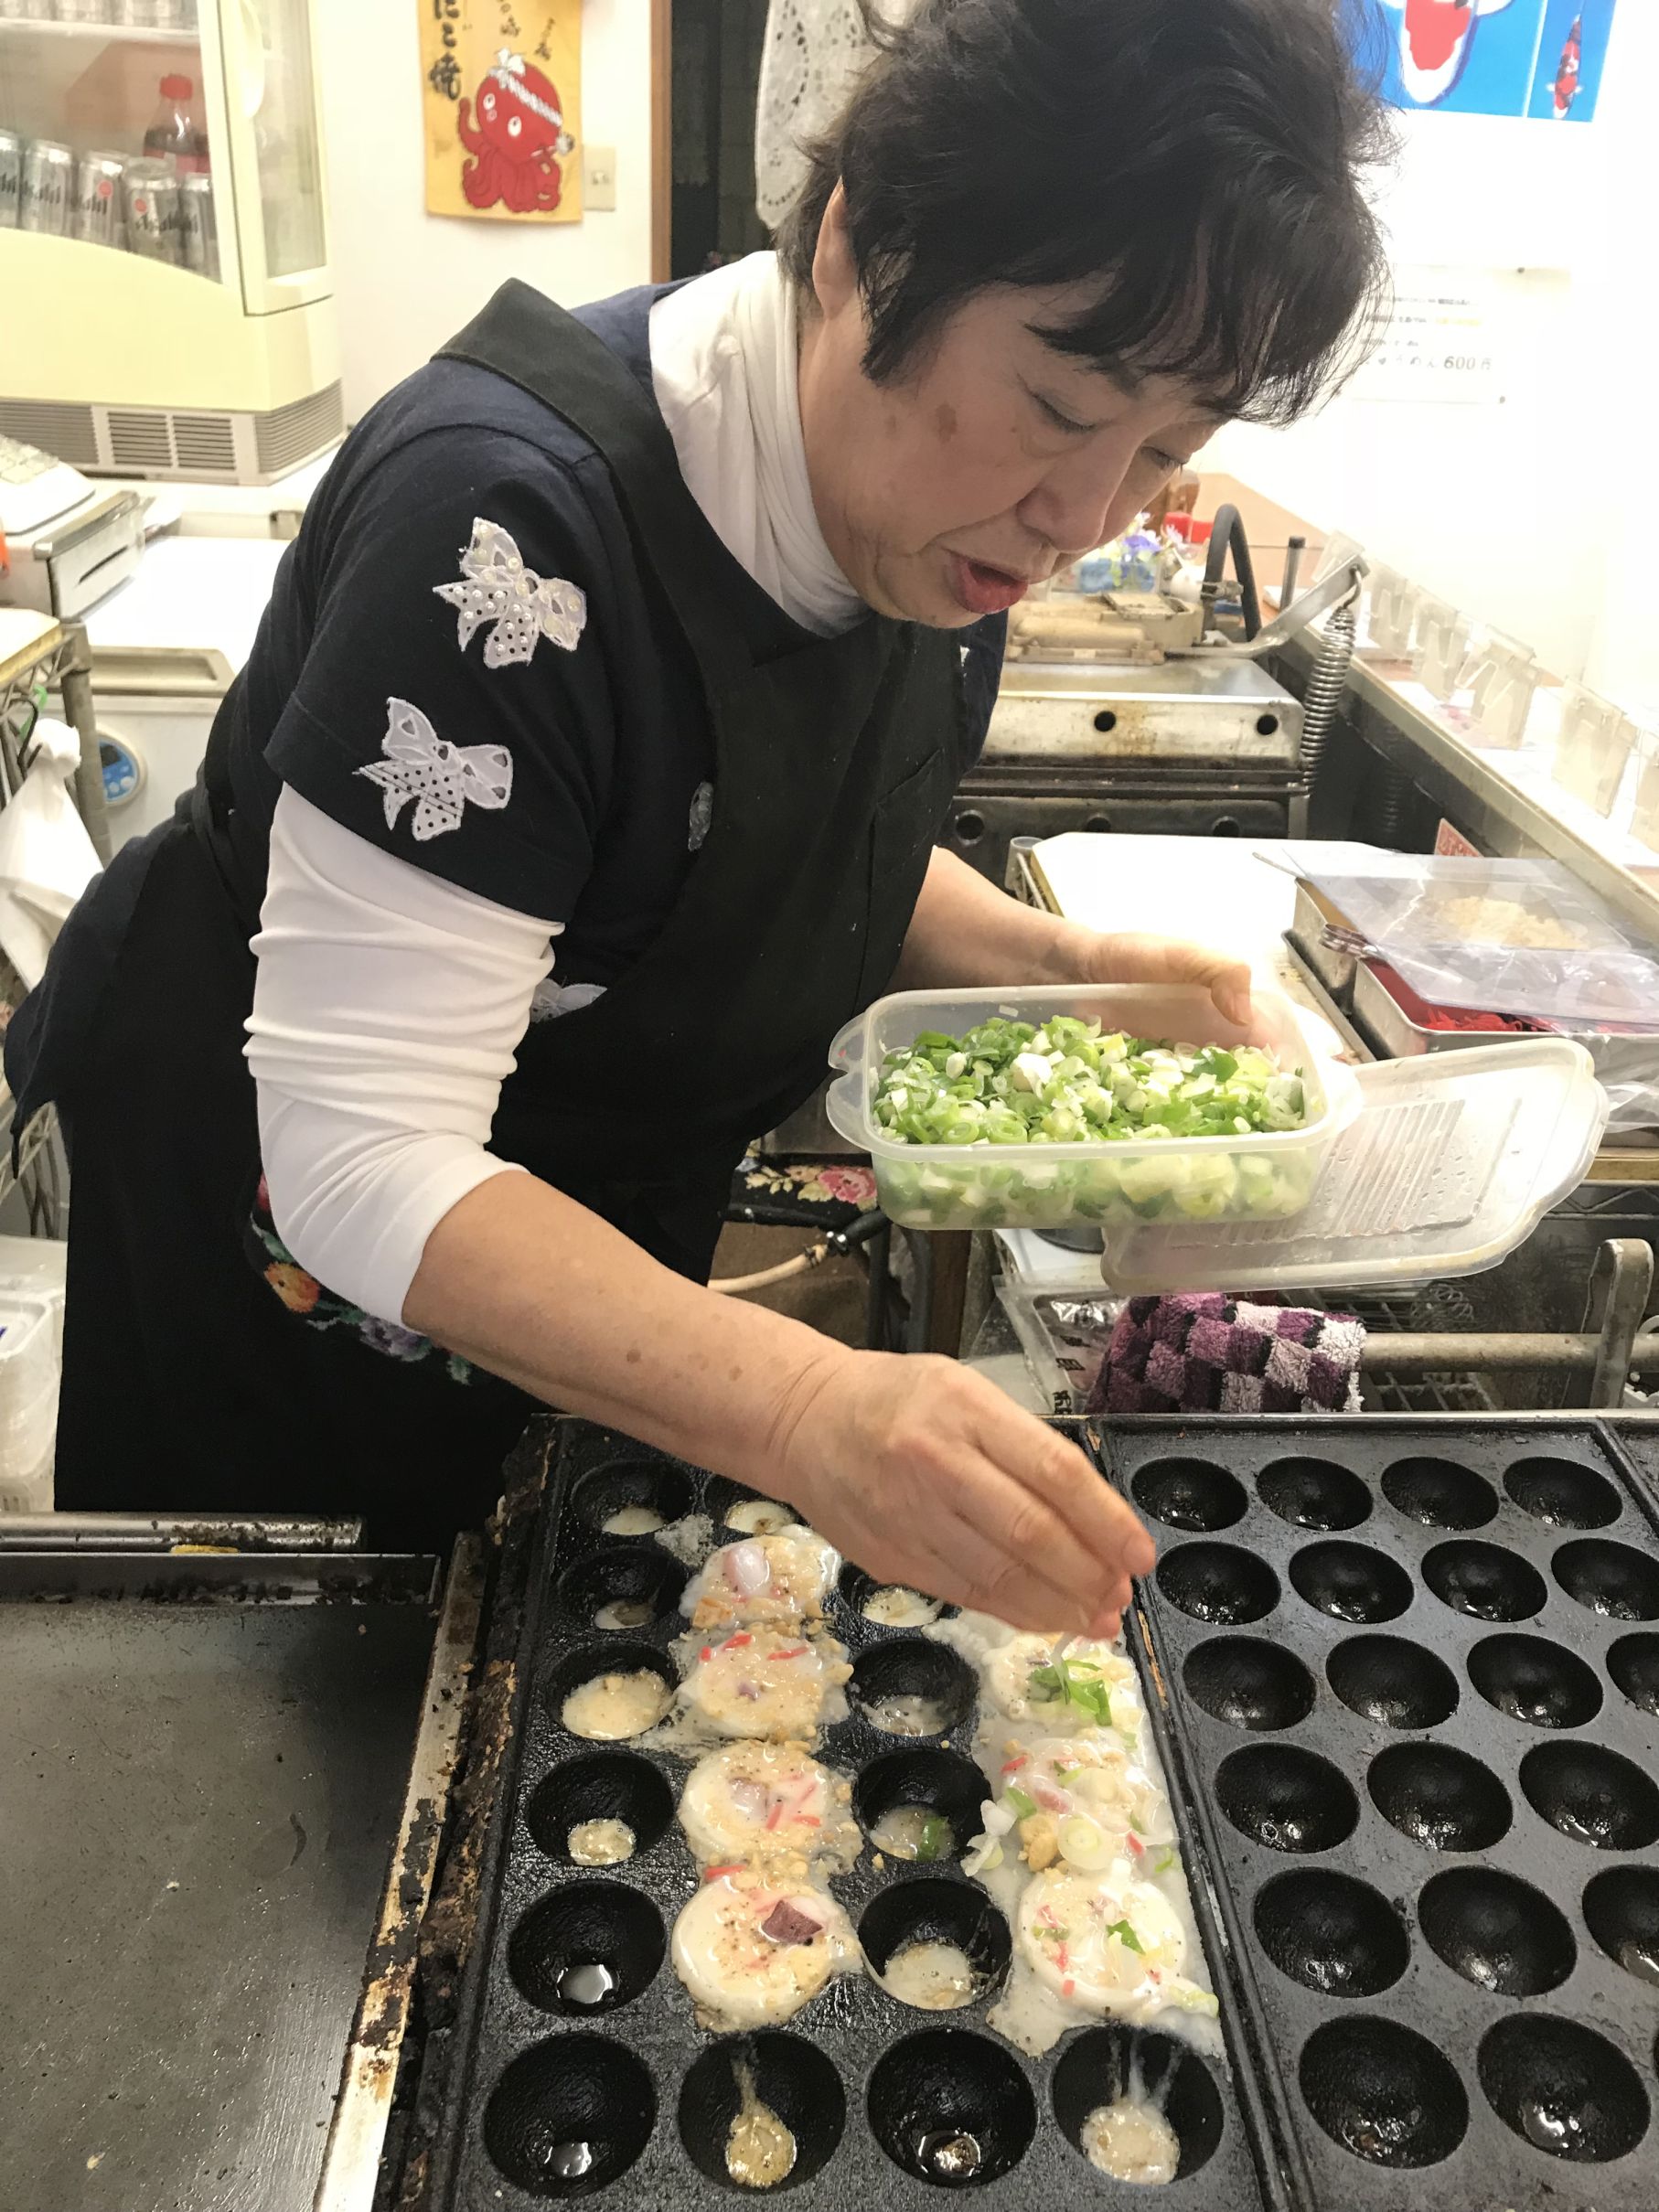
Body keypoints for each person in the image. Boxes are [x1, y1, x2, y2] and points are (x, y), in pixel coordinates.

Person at [8, 0, 1386, 1631]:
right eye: (1066, 412)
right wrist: (806, 1405)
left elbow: (768, 836)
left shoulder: (936, 512)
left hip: (594, 1245)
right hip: (286, 1269)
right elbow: (363, 1152)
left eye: (1168, 450)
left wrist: (1057, 959)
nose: (1084, 516)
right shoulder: (507, 540)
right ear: (860, 251)